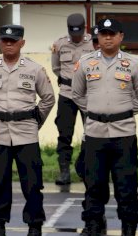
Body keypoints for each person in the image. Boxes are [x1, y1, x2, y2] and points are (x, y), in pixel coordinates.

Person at [72, 17, 138, 236]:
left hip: (124, 133)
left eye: (112, 34)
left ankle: (128, 227)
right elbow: (77, 94)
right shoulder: (85, 63)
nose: (107, 38)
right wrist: (95, 111)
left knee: (126, 186)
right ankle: (94, 225)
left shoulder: (133, 64)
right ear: (98, 36)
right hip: (95, 132)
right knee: (94, 185)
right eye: (104, 34)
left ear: (121, 37)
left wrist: (122, 113)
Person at [0, 24, 55, 236]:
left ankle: (34, 224)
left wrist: (35, 121)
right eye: (5, 40)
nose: (8, 44)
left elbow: (48, 98)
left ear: (22, 43)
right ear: (0, 42)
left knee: (32, 183)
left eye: (13, 41)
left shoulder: (34, 69)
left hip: (26, 134)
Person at [50, 13, 92, 186]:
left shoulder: (93, 43)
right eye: (73, 33)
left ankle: (86, 169)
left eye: (79, 33)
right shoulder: (59, 44)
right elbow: (56, 68)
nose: (76, 37)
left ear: (84, 29)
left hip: (88, 95)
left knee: (91, 133)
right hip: (66, 94)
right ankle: (64, 171)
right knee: (64, 133)